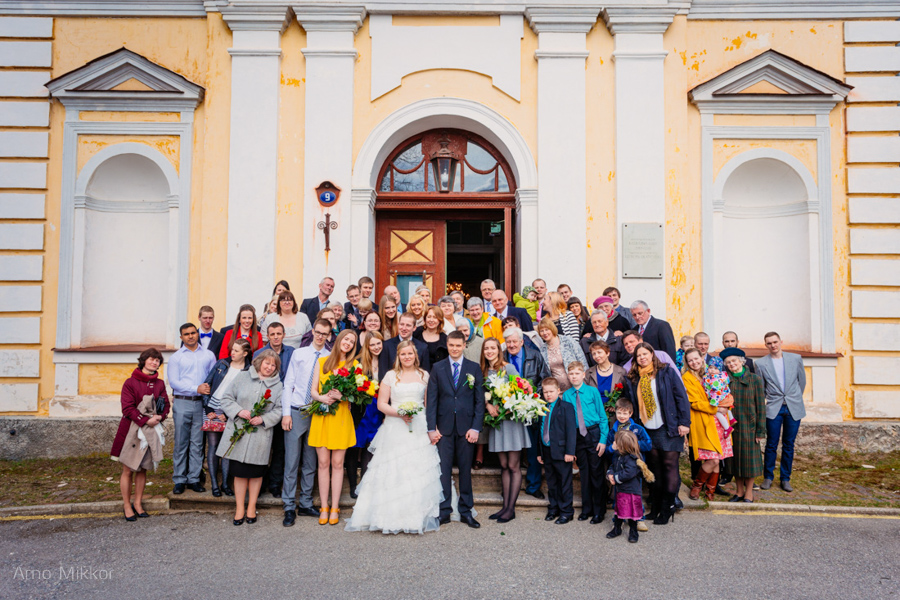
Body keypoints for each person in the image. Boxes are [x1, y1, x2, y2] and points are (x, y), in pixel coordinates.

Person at [345, 341, 442, 534]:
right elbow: (381, 404)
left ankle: (415, 515)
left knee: (416, 469)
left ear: (415, 355)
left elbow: (428, 404)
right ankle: (388, 514)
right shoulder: (390, 376)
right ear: (398, 356)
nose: (407, 357)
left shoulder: (424, 375)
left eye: (410, 354)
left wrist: (433, 427)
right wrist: (400, 413)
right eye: (403, 354)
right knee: (393, 469)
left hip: (419, 425)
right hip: (395, 426)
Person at [622, 343, 690, 525]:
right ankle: (657, 507)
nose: (642, 358)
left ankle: (668, 508)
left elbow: (681, 397)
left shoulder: (666, 372)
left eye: (645, 354)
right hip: (647, 429)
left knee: (669, 467)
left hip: (669, 426)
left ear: (652, 354)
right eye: (639, 356)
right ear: (635, 360)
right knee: (654, 468)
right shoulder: (634, 378)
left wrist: (685, 423)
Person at [215, 350, 283, 525]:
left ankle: (251, 507)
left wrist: (263, 419)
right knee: (239, 473)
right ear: (259, 362)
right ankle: (239, 508)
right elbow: (226, 399)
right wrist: (239, 411)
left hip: (260, 434)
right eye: (267, 363)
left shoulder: (277, 385)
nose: (269, 367)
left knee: (255, 473)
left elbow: (279, 409)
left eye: (273, 365)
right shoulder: (242, 377)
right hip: (240, 432)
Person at [426, 330, 485, 529]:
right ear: (447, 345)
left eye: (458, 345)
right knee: (443, 471)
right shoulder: (438, 368)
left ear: (464, 346)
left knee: (465, 471)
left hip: (466, 428)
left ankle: (466, 511)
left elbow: (479, 402)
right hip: (443, 428)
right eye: (451, 345)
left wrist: (476, 427)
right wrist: (431, 428)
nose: (454, 349)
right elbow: (432, 400)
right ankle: (444, 511)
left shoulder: (474, 368)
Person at [280, 319, 332, 527]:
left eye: (324, 334)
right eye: (318, 332)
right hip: (297, 409)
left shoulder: (329, 357)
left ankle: (307, 502)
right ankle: (289, 506)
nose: (320, 336)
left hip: (318, 412)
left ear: (329, 335)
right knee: (292, 462)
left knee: (311, 462)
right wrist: (286, 413)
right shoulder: (299, 353)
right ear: (312, 331)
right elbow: (288, 384)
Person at [111, 348, 170, 521]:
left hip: (150, 430)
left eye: (157, 360)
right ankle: (127, 505)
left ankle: (138, 503)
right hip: (132, 430)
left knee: (143, 468)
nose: (154, 363)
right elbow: (127, 408)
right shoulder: (130, 382)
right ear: (144, 360)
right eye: (152, 359)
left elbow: (165, 405)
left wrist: (161, 416)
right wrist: (144, 420)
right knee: (128, 468)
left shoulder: (159, 384)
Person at [309, 329, 359, 525]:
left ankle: (335, 506)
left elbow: (356, 397)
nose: (348, 343)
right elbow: (313, 390)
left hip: (341, 418)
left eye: (352, 342)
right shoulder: (322, 362)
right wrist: (322, 397)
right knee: (323, 463)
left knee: (338, 464)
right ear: (339, 340)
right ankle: (324, 506)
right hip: (322, 416)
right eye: (346, 339)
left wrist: (342, 397)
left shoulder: (354, 366)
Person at [481, 337, 529, 523]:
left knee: (513, 465)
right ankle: (504, 507)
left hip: (510, 421)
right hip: (496, 423)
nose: (490, 351)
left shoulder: (507, 368)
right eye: (487, 349)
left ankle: (511, 508)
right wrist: (488, 406)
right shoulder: (484, 371)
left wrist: (507, 405)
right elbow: (482, 393)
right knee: (503, 465)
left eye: (493, 348)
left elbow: (521, 389)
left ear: (498, 350)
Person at [168, 323, 216, 494]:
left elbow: (212, 378)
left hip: (200, 403)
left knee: (197, 443)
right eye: (186, 334)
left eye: (193, 333)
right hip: (182, 402)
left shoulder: (209, 355)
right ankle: (179, 479)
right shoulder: (176, 358)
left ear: (197, 333)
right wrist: (196, 388)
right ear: (181, 337)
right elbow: (174, 382)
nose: (190, 336)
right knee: (181, 442)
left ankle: (194, 479)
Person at [755, 331, 806, 493]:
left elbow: (801, 381)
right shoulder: (761, 364)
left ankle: (785, 478)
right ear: (766, 345)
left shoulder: (795, 359)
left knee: (789, 444)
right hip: (773, 407)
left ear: (781, 342)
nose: (773, 345)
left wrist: (793, 397)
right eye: (769, 343)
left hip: (793, 406)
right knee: (771, 443)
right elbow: (761, 388)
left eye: (775, 342)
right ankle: (768, 477)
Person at [504, 327, 550, 500]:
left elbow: (545, 378)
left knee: (532, 449)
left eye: (515, 341)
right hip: (508, 408)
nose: (512, 345)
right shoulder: (502, 356)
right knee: (512, 449)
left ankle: (533, 485)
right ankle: (509, 486)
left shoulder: (534, 355)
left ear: (522, 342)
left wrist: (531, 396)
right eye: (508, 342)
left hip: (530, 408)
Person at [202, 338, 252, 497]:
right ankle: (215, 485)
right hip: (213, 409)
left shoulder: (248, 370)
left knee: (228, 447)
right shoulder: (221, 364)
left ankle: (225, 484)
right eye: (232, 349)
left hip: (231, 412)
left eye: (237, 351)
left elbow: (246, 395)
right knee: (214, 446)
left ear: (245, 353)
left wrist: (229, 413)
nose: (233, 353)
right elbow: (206, 385)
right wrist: (208, 407)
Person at [682, 349, 733, 501]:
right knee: (713, 459)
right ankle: (697, 485)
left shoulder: (710, 371)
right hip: (703, 420)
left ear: (702, 357)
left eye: (696, 358)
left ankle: (710, 491)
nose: (694, 362)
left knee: (717, 457)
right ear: (687, 362)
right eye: (690, 360)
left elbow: (723, 390)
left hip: (719, 421)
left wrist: (726, 403)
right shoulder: (687, 377)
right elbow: (694, 402)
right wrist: (716, 408)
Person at [562, 361, 608, 524]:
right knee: (584, 473)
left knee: (596, 473)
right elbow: (567, 423)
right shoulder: (566, 395)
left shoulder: (592, 392)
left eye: (577, 373)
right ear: (568, 376)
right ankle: (587, 509)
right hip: (577, 436)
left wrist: (603, 440)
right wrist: (570, 447)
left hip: (593, 433)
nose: (574, 376)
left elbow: (603, 417)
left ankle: (599, 510)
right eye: (571, 374)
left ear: (583, 375)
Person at [254, 323, 294, 497]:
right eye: (272, 334)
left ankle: (276, 484)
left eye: (279, 333)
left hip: (284, 405)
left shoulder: (292, 353)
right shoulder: (258, 354)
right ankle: (260, 482)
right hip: (263, 406)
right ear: (267, 336)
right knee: (261, 447)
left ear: (284, 334)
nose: (276, 336)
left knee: (280, 448)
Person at [721, 348, 766, 503]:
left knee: (748, 462)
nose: (732, 364)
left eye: (734, 361)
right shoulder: (725, 380)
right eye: (728, 362)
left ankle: (749, 493)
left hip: (749, 427)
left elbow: (761, 406)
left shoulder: (754, 380)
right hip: (731, 427)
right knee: (734, 462)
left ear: (741, 361)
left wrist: (760, 430)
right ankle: (739, 492)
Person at [346, 332, 384, 499]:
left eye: (379, 344)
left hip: (379, 410)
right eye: (372, 345)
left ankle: (366, 483)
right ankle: (353, 484)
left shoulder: (386, 361)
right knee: (355, 447)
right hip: (361, 410)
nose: (376, 347)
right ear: (367, 346)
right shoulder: (359, 363)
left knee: (371, 447)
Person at [537, 377, 577, 525]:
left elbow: (571, 431)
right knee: (551, 482)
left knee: (564, 482)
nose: (548, 395)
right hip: (546, 450)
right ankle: (553, 508)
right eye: (545, 392)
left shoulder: (566, 407)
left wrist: (570, 452)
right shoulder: (542, 407)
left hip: (562, 451)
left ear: (558, 391)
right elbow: (540, 430)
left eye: (551, 391)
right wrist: (539, 453)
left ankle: (566, 511)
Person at [605, 429, 654, 543]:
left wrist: (615, 478)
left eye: (616, 442)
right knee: (619, 510)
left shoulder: (633, 459)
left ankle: (633, 531)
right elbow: (613, 466)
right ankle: (617, 528)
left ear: (623, 445)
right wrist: (610, 474)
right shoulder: (618, 455)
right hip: (621, 490)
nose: (614, 443)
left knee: (632, 513)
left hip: (631, 492)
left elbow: (628, 473)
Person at [538, 318, 588, 391]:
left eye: (547, 329)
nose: (545, 333)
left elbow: (582, 361)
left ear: (552, 329)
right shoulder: (542, 350)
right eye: (542, 331)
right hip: (558, 392)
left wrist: (585, 384)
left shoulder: (568, 341)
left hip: (577, 387)